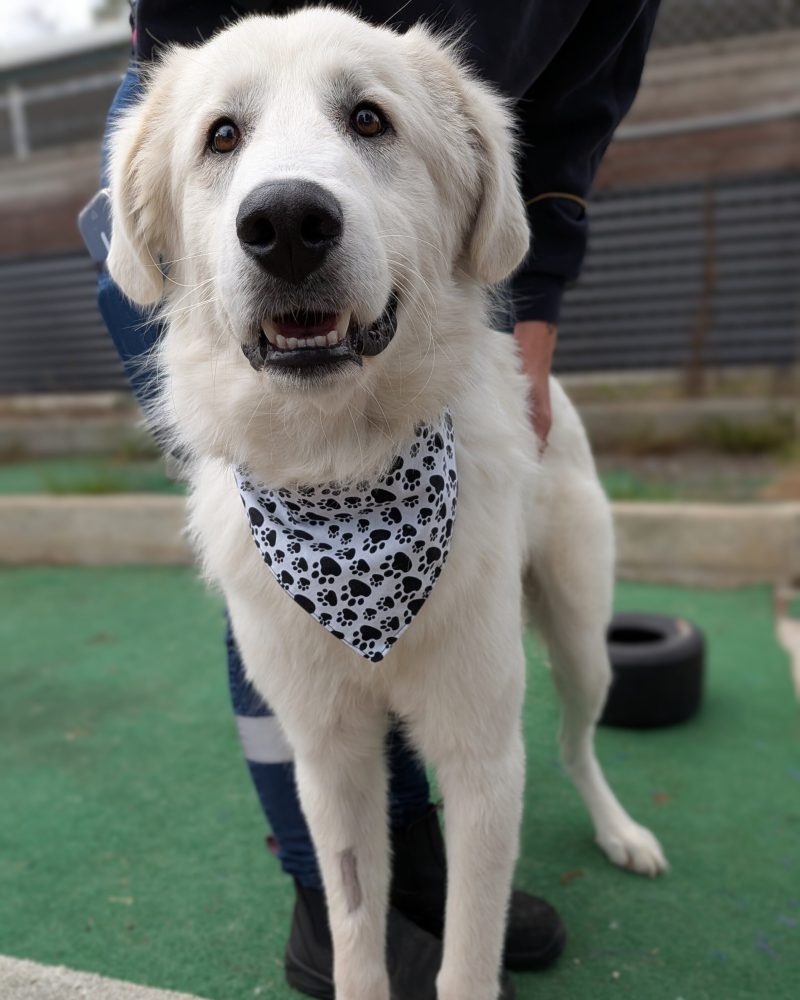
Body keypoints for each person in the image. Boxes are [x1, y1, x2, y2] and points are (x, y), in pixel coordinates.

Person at [93, 2, 660, 997]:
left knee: (544, 699)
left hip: (468, 451)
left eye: (367, 122)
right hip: (262, 479)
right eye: (224, 137)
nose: (286, 205)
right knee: (328, 750)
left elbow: (574, 118)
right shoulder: (173, 132)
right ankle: (343, 931)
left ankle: (562, 792)